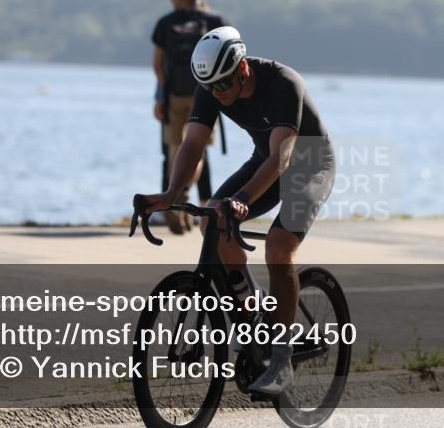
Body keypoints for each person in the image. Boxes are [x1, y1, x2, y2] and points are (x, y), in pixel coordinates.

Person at [142, 26, 335, 396]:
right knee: (212, 220)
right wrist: (171, 193)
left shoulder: (283, 83)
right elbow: (194, 142)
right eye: (211, 88)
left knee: (278, 247)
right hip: (266, 161)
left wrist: (243, 198)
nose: (218, 94)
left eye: (224, 86)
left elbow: (282, 157)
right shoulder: (212, 84)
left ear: (242, 67)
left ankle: (281, 361)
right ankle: (253, 308)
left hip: (309, 163)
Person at [151, 0, 226, 234]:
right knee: (200, 149)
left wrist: (162, 95)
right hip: (206, 92)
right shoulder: (215, 21)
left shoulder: (166, 23)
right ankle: (183, 193)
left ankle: (176, 194)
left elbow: (158, 63)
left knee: (174, 147)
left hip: (174, 94)